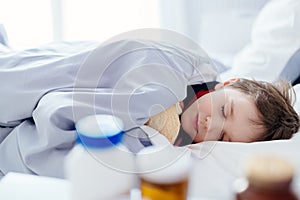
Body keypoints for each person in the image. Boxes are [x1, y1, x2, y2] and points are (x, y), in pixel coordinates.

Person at [0, 38, 299, 179]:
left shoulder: (169, 144)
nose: (210, 123)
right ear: (227, 83)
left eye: (223, 138)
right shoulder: (182, 69)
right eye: (225, 110)